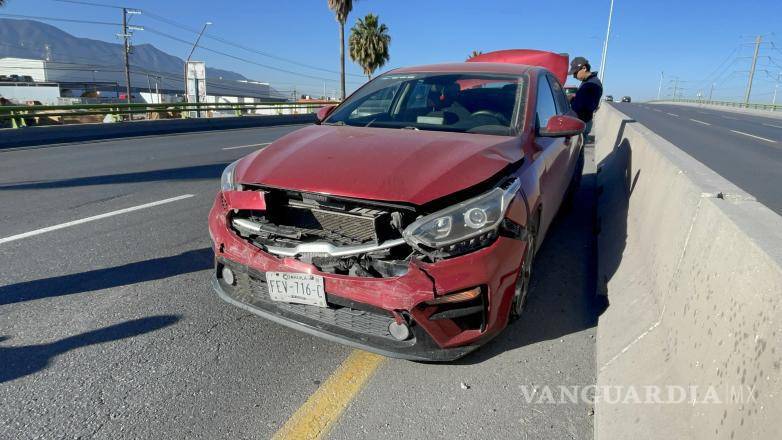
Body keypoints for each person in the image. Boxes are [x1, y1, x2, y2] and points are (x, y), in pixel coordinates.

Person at [568, 57, 603, 136]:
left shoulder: (590, 85)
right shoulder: (590, 81)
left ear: (584, 68)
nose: (574, 76)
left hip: (581, 124)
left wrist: (570, 100)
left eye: (575, 73)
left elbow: (579, 107)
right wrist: (574, 98)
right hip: (584, 122)